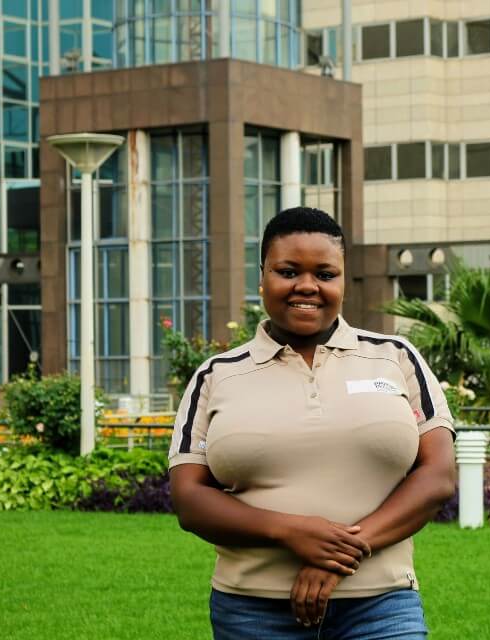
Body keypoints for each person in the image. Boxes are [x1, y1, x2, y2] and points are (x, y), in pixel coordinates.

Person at [167, 207, 457, 639]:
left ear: (342, 281)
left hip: (382, 604)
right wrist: (291, 531)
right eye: (288, 271)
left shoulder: (396, 357)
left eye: (325, 273)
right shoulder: (217, 375)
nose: (307, 286)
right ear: (262, 276)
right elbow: (189, 498)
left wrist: (338, 557)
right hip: (253, 612)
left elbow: (437, 477)